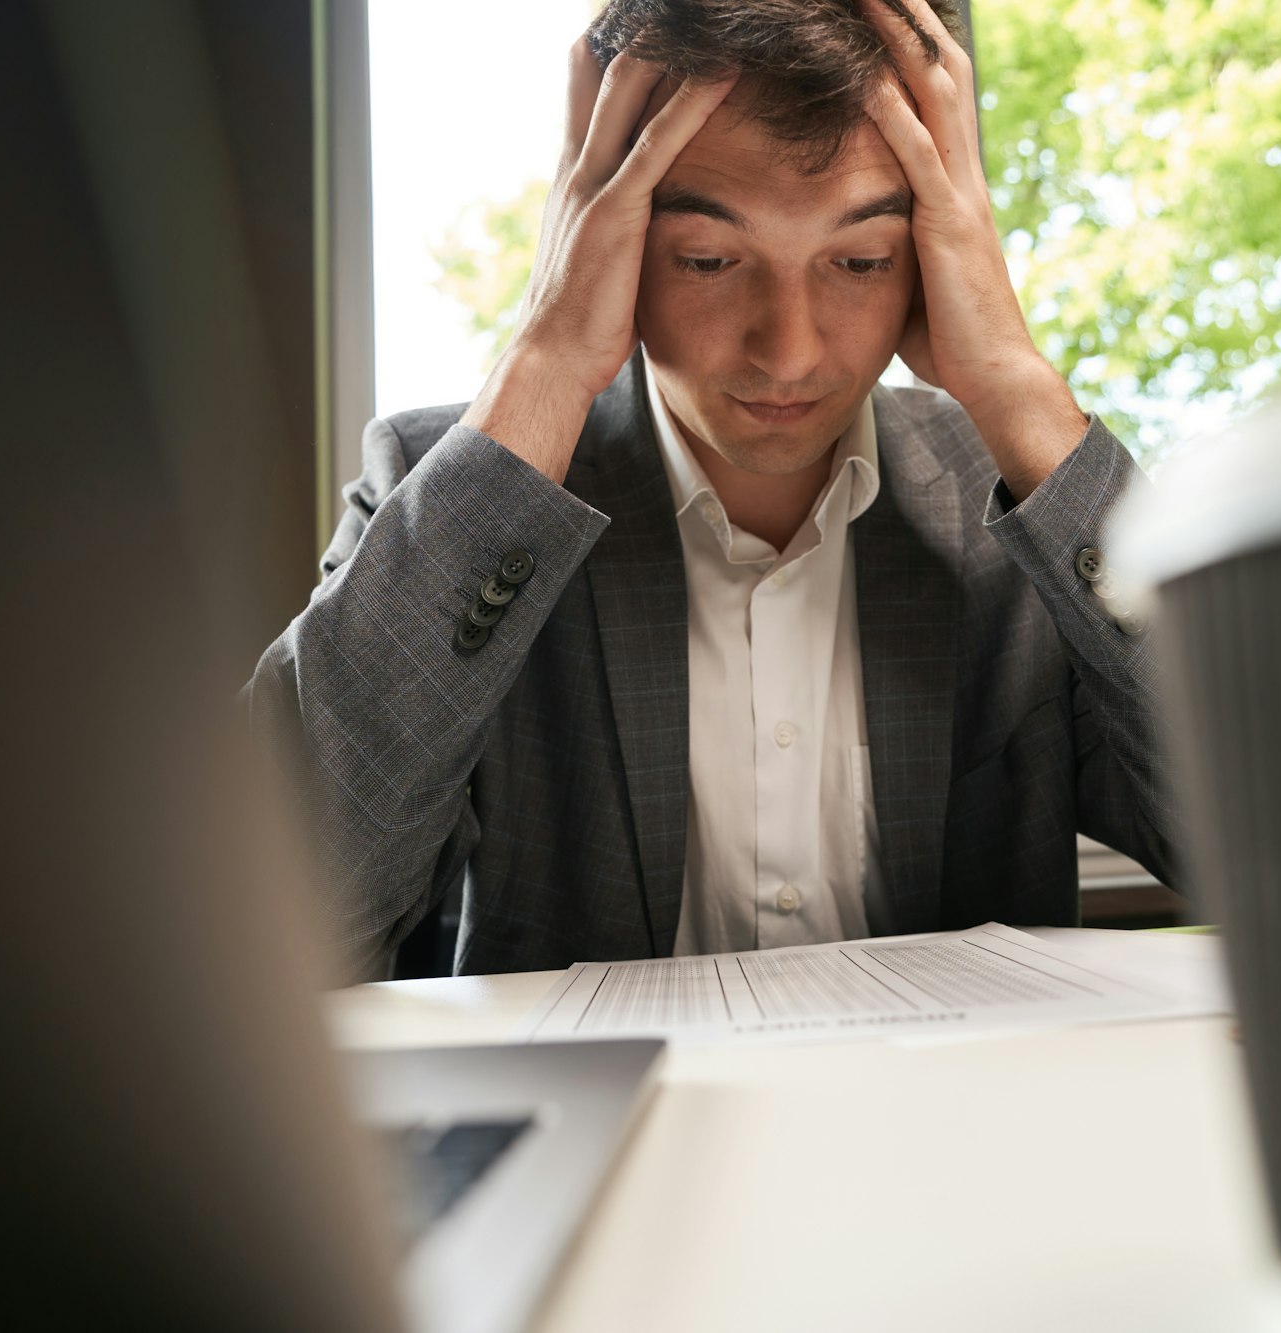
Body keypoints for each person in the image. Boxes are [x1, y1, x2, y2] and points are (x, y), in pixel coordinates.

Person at [248, 0, 1177, 980]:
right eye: (707, 259)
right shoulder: (460, 506)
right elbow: (271, 922)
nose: (789, 349)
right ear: (605, 238)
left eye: (859, 260)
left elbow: (1275, 836)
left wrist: (1020, 392)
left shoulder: (1025, 503)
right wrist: (551, 355)